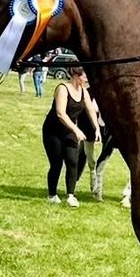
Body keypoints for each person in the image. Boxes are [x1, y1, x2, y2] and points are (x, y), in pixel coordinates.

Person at [42, 65, 101, 206]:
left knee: (72, 161)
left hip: (70, 132)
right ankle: (52, 195)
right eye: (84, 76)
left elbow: (90, 110)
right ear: (75, 75)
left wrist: (97, 128)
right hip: (53, 131)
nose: (87, 79)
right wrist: (76, 130)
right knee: (56, 164)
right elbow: (60, 113)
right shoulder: (62, 89)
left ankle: (70, 195)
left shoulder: (83, 91)